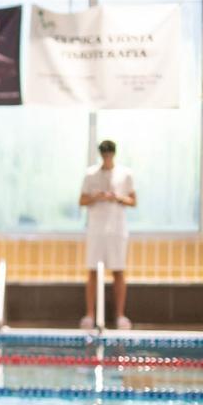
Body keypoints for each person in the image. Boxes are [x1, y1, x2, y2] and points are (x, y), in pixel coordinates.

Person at [80, 139, 136, 331]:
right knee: (93, 271)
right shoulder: (90, 174)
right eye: (104, 154)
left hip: (117, 229)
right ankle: (90, 314)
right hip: (96, 229)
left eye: (109, 154)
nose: (106, 157)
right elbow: (82, 200)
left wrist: (117, 197)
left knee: (118, 270)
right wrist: (96, 196)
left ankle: (120, 315)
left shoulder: (125, 174)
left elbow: (133, 200)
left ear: (113, 154)